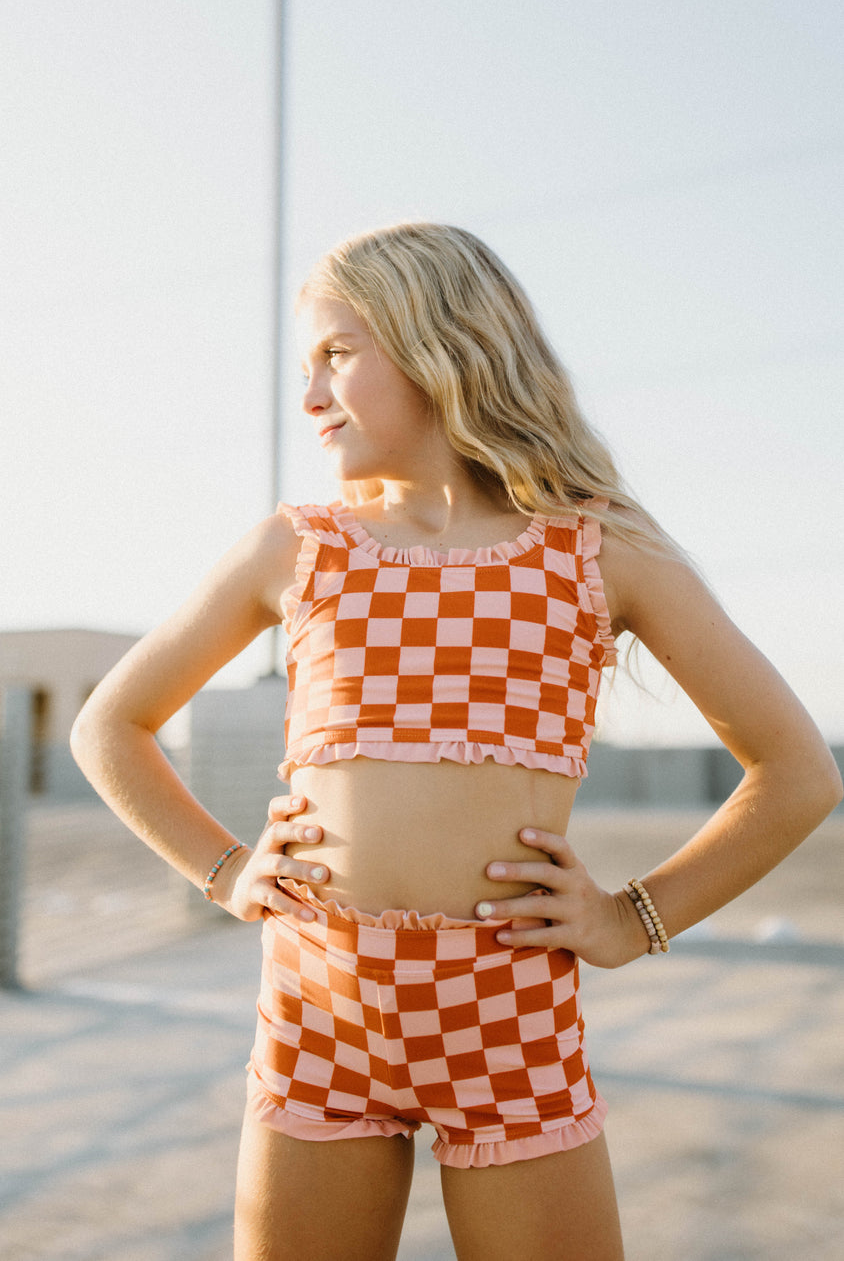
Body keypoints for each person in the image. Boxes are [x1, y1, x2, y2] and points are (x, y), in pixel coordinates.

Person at [71, 222, 842, 1261]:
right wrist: (223, 871)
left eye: (337, 355)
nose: (310, 398)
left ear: (440, 340)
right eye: (305, 367)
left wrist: (634, 919)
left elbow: (796, 773)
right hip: (320, 1021)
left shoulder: (600, 548)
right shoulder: (296, 549)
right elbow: (109, 726)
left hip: (510, 1023)